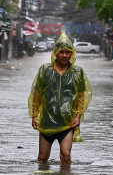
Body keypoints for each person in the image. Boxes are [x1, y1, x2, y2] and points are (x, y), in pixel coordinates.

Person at [28, 32, 92, 165]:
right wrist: (34, 115)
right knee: (43, 158)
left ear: (72, 54)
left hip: (67, 122)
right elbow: (36, 94)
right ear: (55, 53)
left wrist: (77, 116)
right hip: (47, 121)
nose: (64, 55)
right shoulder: (45, 70)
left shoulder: (77, 72)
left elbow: (82, 96)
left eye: (67, 52)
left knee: (66, 155)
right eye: (61, 52)